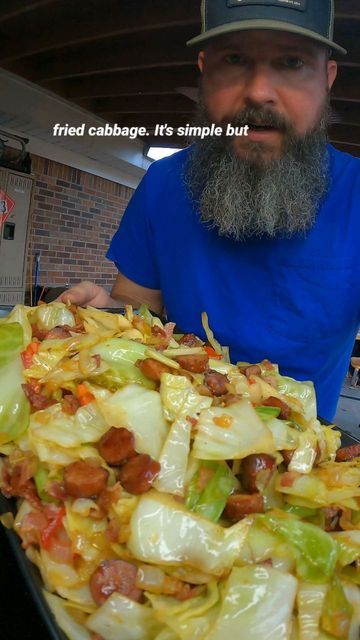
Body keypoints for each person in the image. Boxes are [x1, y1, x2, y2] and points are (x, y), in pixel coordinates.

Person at [60, 0, 360, 422]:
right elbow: (138, 308)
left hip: (309, 463)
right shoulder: (162, 182)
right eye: (234, 59)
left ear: (327, 79)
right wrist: (107, 314)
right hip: (177, 444)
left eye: (291, 62)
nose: (258, 91)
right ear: (205, 70)